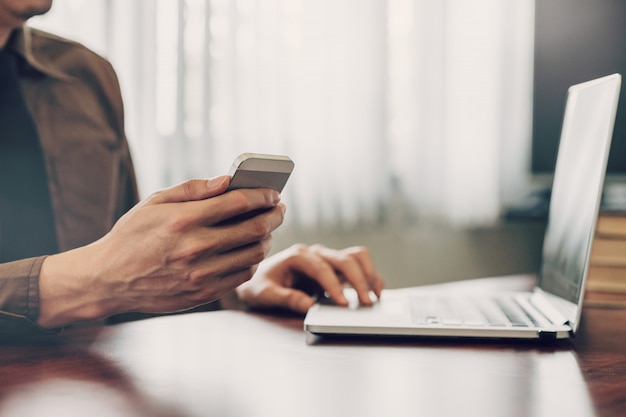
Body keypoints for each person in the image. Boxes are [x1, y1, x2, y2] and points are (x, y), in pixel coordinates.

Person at [0, 0, 384, 333]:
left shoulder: (85, 76)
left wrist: (234, 287)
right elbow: (103, 279)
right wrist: (89, 280)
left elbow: (123, 287)